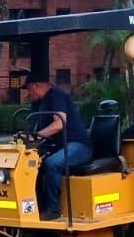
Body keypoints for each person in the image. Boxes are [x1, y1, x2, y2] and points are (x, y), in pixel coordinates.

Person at [22, 72, 91, 220]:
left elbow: (60, 123)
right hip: (61, 146)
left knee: (52, 164)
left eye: (28, 89)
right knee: (30, 163)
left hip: (78, 145)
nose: (28, 94)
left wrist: (37, 135)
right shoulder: (42, 102)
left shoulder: (56, 96)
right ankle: (35, 206)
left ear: (35, 86)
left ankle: (53, 210)